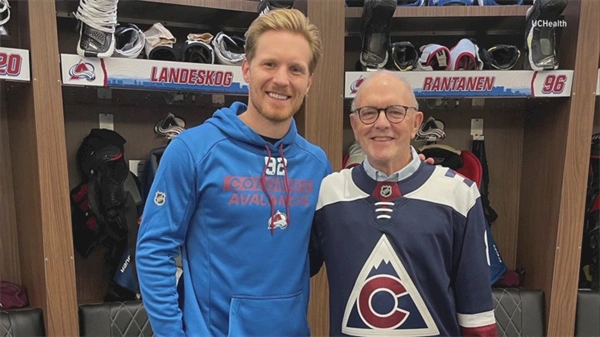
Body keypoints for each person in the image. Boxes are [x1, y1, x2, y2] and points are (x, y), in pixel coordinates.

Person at [135, 9, 332, 337]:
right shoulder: (192, 150)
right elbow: (154, 249)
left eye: (295, 69)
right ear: (246, 69)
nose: (281, 79)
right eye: (269, 64)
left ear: (308, 81)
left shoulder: (317, 163)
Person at [310, 71, 498, 337]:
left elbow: (477, 317)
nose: (382, 123)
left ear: (415, 122)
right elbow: (289, 268)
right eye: (368, 112)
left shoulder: (459, 194)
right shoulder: (328, 193)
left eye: (396, 112)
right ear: (354, 124)